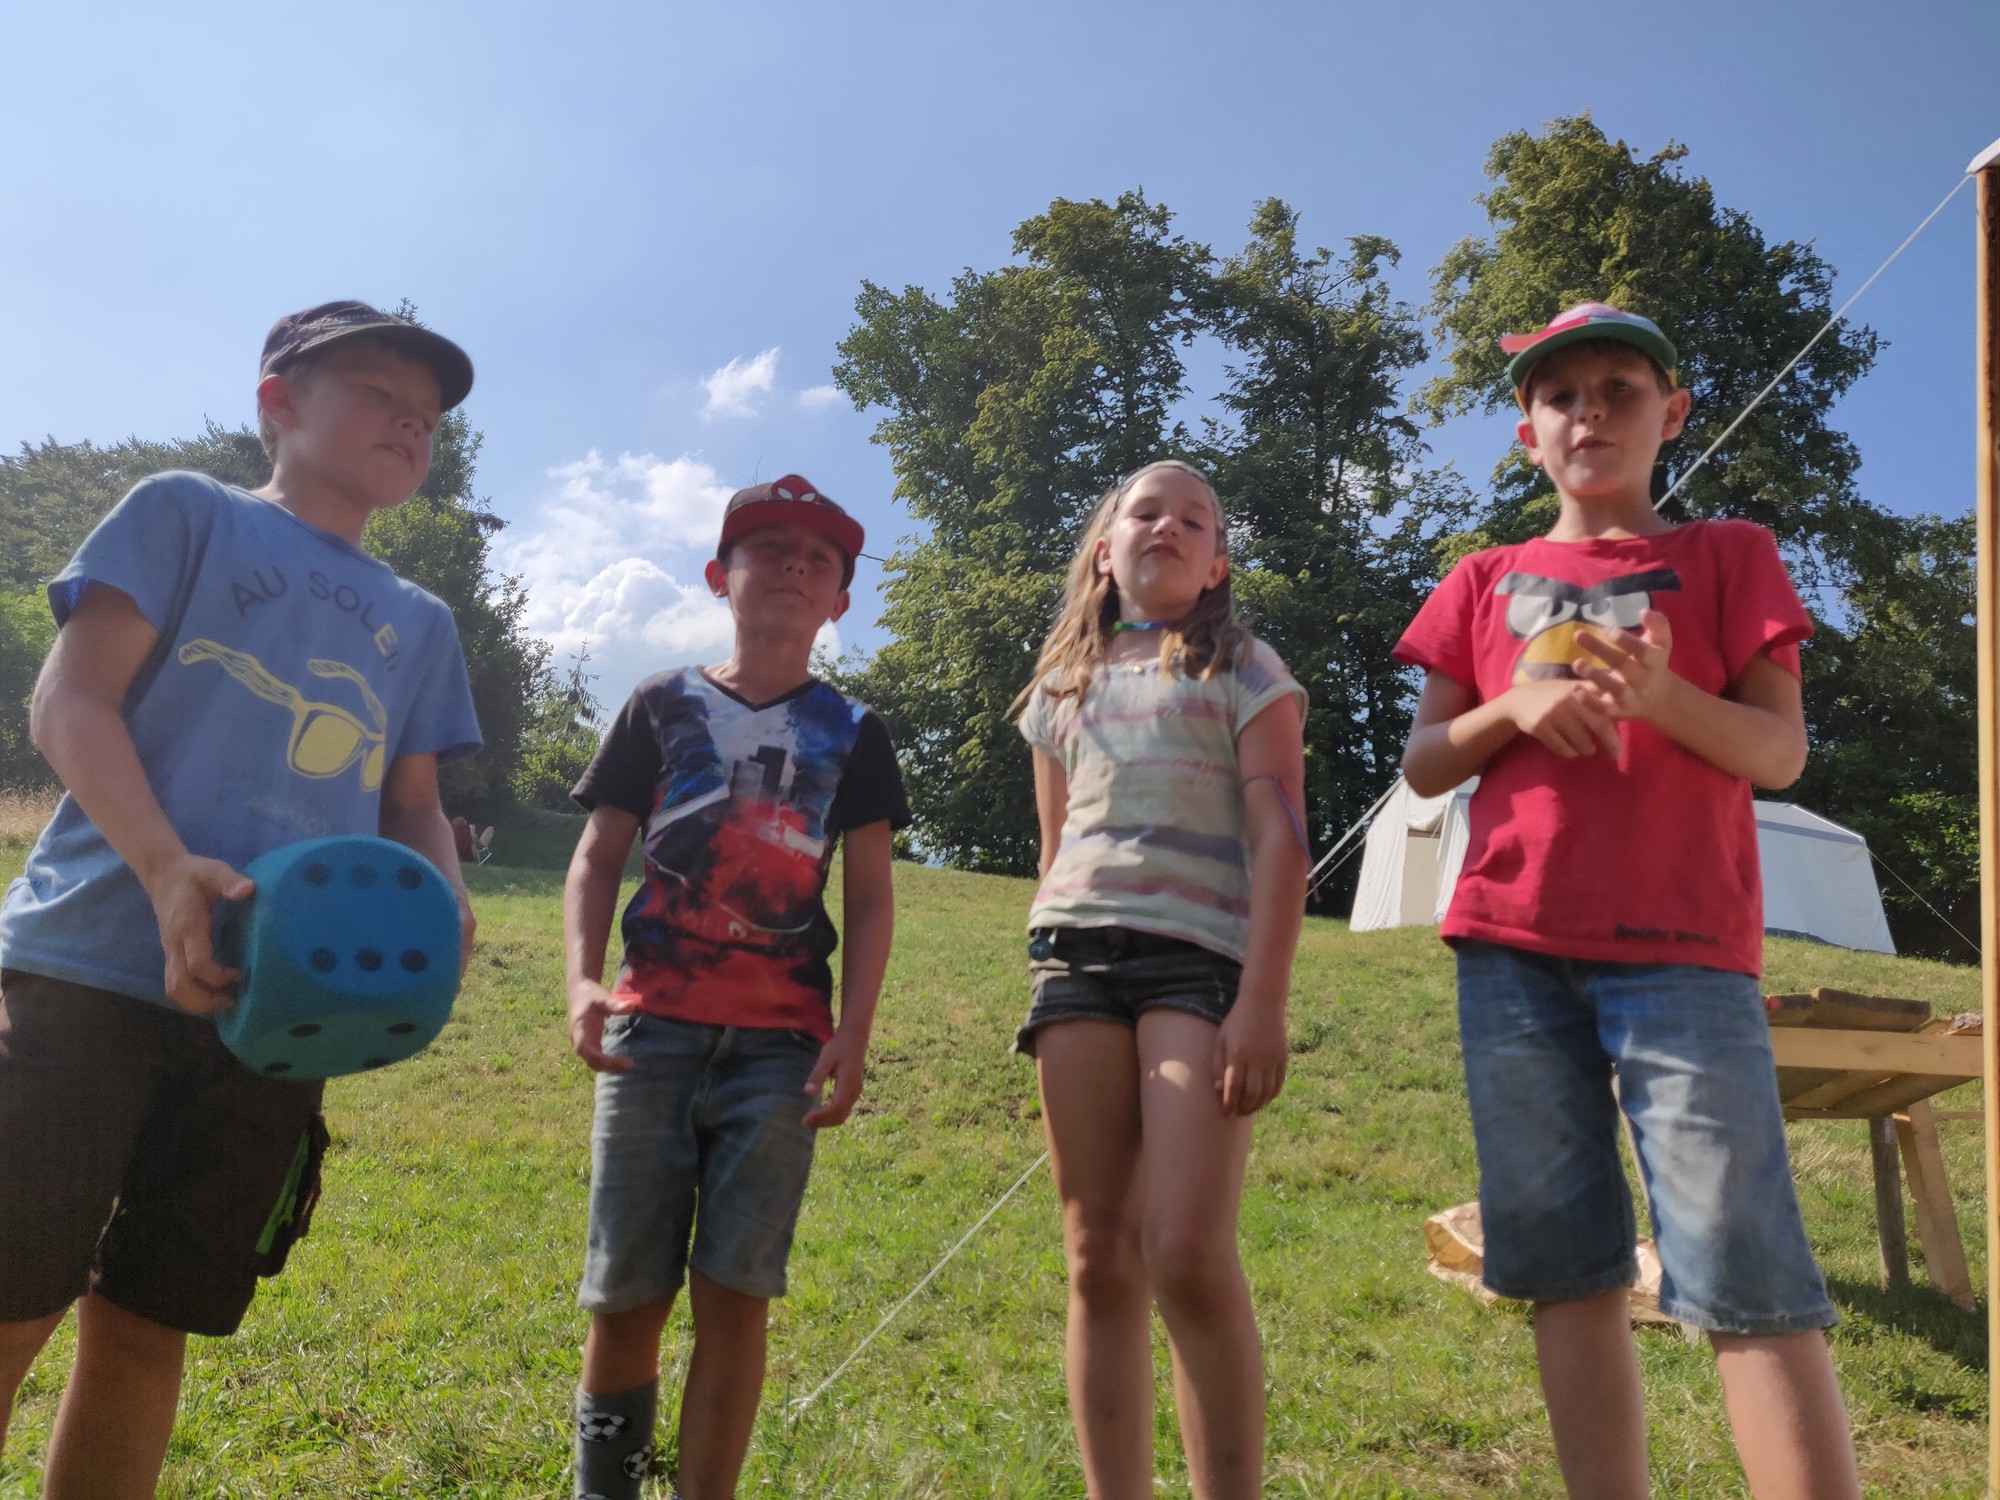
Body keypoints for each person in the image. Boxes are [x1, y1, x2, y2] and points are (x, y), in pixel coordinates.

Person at [0, 300, 482, 1499]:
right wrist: (168, 867)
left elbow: (412, 801)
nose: (411, 426)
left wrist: (443, 895)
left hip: (273, 1017)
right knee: (9, 1306)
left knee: (148, 1323)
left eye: (427, 418)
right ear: (278, 401)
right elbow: (68, 705)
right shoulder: (185, 513)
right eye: (381, 395)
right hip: (87, 973)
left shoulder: (420, 622)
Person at [1394, 302, 1861, 1500]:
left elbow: (1777, 753)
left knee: (1740, 1261)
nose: (1588, 412)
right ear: (1526, 435)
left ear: (1673, 413)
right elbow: (1425, 762)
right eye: (1559, 396)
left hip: (1683, 952)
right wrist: (1512, 709)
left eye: (1618, 389)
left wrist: (1659, 699)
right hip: (1508, 952)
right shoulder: (1479, 578)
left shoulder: (1728, 554)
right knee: (1563, 1267)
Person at [562, 475, 907, 1500]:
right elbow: (597, 856)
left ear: (841, 599)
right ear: (720, 576)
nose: (795, 566)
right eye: (769, 548)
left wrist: (853, 1031)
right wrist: (581, 980)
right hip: (649, 1036)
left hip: (781, 1053)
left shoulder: (856, 730)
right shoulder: (660, 704)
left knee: (735, 1296)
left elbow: (872, 898)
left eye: (820, 558)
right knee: (625, 1296)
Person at [1013, 460, 1308, 1500]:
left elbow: (1282, 840)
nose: (1168, 527)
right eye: (1146, 511)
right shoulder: (1060, 684)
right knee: (1097, 1254)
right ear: (1106, 548)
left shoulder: (1244, 667)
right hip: (1076, 965)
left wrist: (1262, 1004)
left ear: (1216, 563)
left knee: (1182, 1247)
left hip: (1199, 965)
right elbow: (1055, 847)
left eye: (1195, 520)